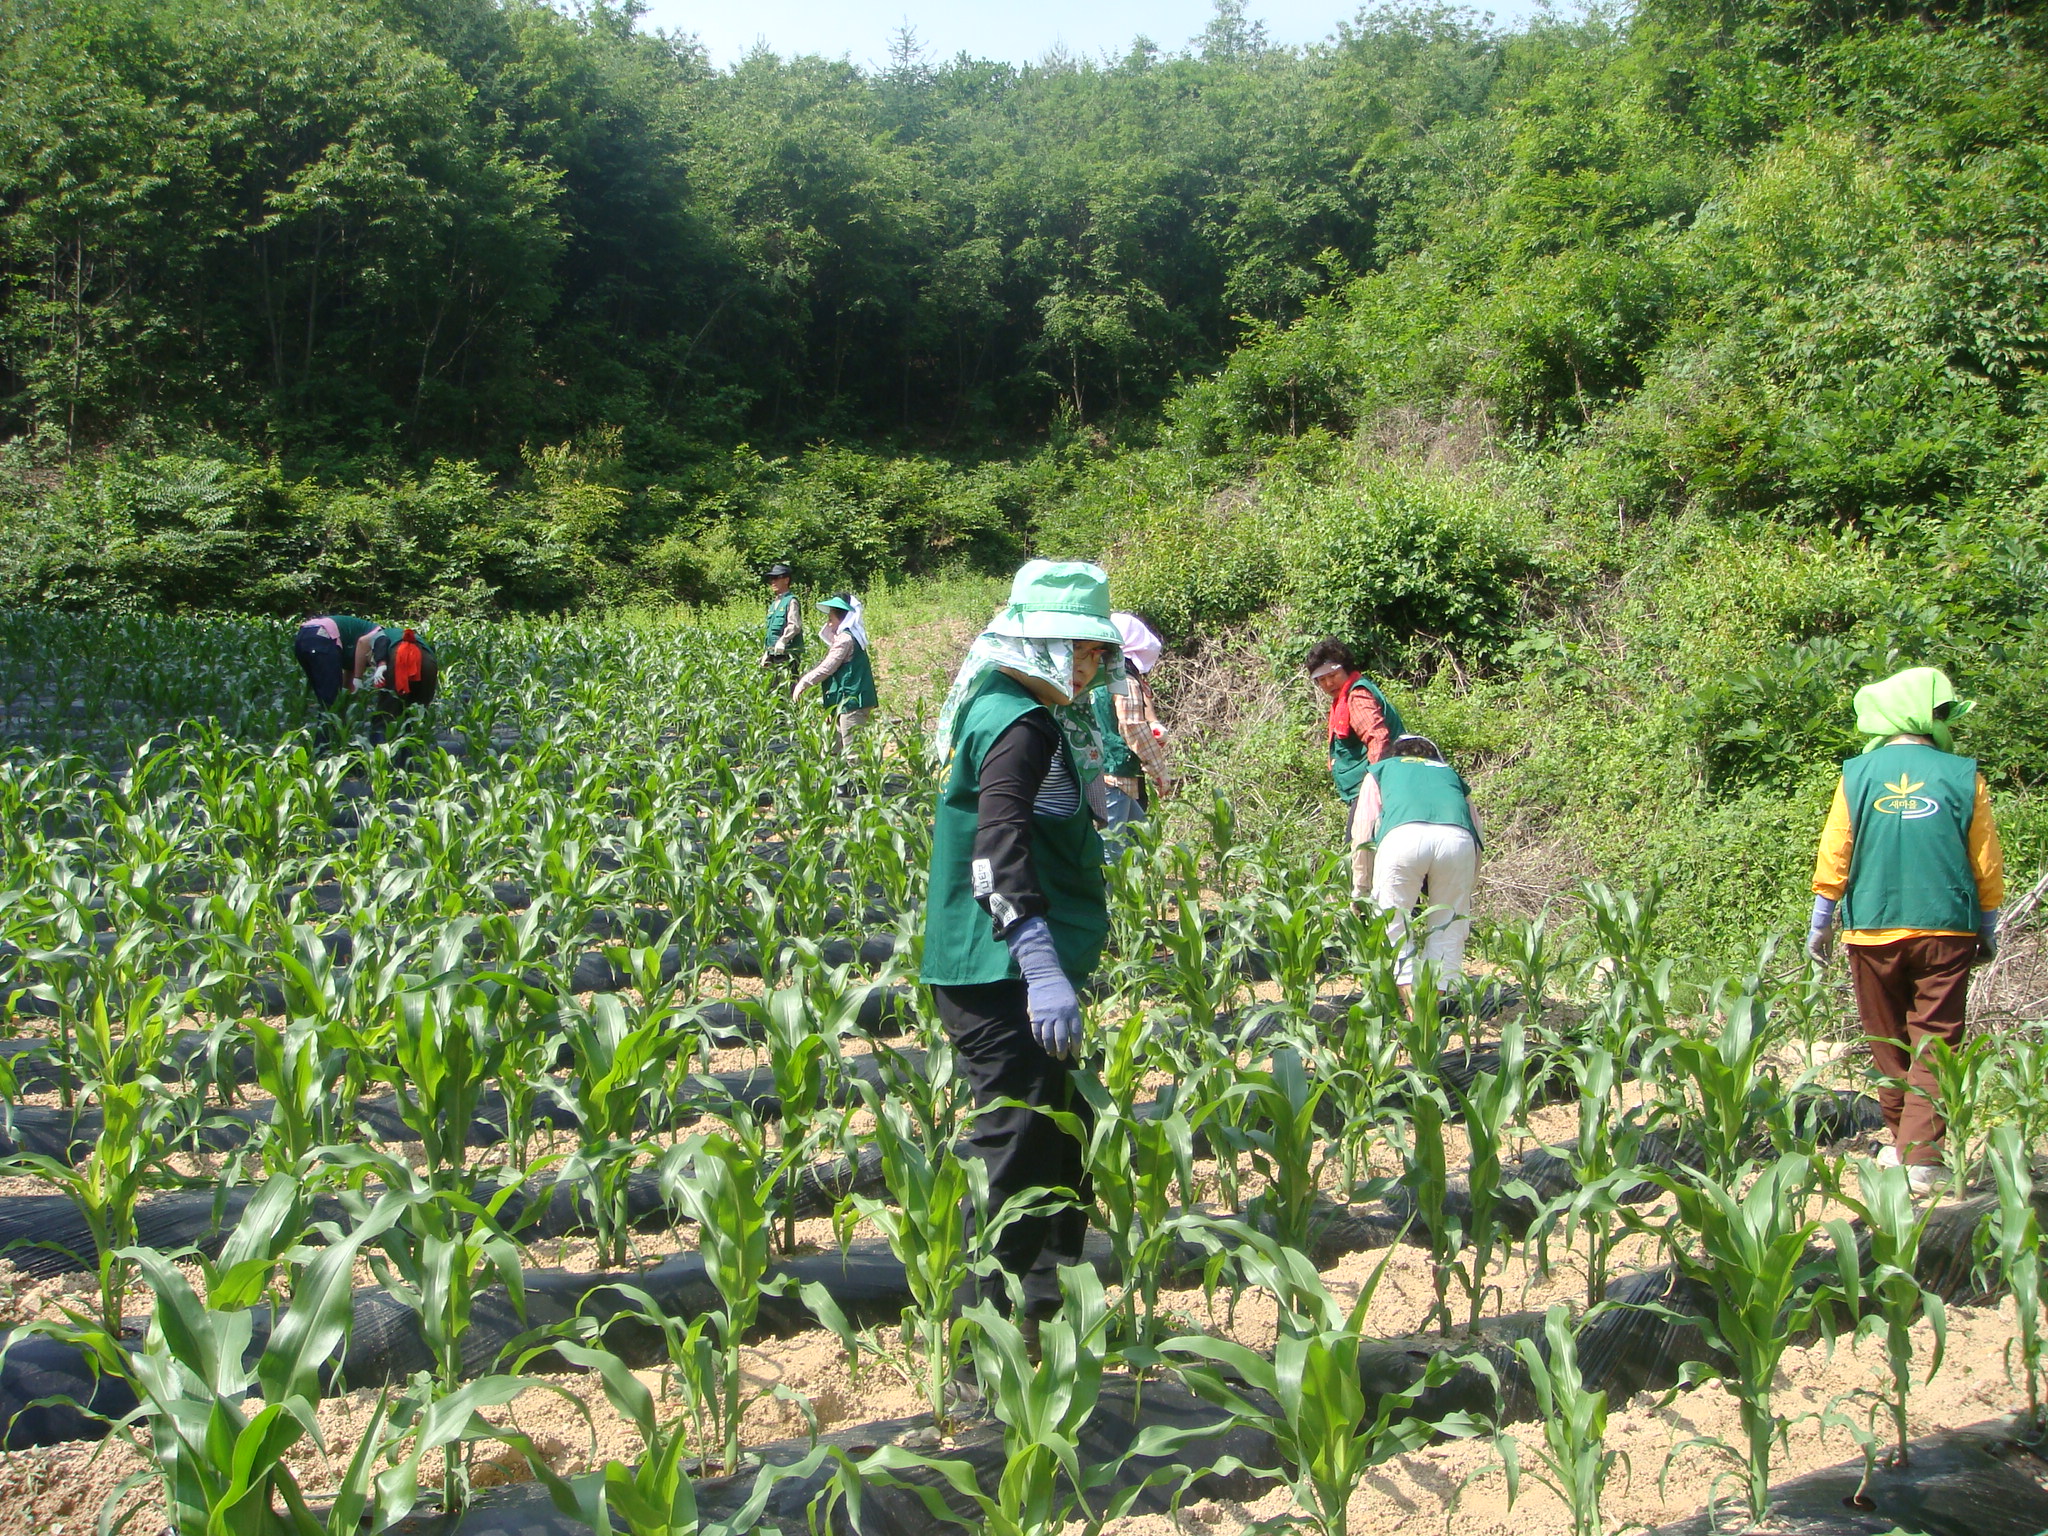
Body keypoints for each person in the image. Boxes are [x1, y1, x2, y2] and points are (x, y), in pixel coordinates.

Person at [921, 559, 1122, 1338]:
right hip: (1002, 970)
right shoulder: (1017, 721)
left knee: (1060, 1143)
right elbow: (995, 841)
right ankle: (990, 1348)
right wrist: (1038, 960)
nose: (1091, 663)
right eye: (1078, 648)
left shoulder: (1021, 712)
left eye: (1095, 650)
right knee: (1015, 1155)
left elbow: (1043, 816)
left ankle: (1051, 1319)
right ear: (1035, 645)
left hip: (1010, 967)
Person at [1807, 666, 2005, 1195]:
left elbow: (1836, 850)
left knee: (1886, 1039)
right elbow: (1984, 858)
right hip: (1946, 928)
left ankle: (1906, 1145)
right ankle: (1919, 1154)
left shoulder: (1857, 774)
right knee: (1936, 1038)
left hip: (1872, 927)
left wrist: (1821, 923)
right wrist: (1988, 923)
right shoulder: (1965, 775)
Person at [1354, 734, 1482, 1011]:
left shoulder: (1380, 770)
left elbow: (1362, 833)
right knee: (1448, 927)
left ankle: (1414, 1013)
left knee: (1393, 924)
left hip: (1402, 838)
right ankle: (1430, 1018)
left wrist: (1359, 889)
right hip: (1457, 842)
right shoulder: (1450, 775)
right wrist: (1466, 890)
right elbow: (1476, 833)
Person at [1091, 611, 1175, 843]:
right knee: (1113, 848)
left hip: (1100, 770)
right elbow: (1132, 726)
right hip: (1115, 775)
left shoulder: (1093, 674)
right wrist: (1159, 771)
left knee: (1137, 840)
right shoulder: (1123, 680)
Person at [791, 592, 877, 758]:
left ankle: (859, 785)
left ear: (843, 619)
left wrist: (803, 683)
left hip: (853, 702)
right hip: (844, 701)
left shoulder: (846, 639)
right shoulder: (848, 637)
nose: (829, 624)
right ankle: (842, 784)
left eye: (831, 619)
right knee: (835, 750)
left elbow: (827, 668)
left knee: (853, 754)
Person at [294, 613, 381, 708]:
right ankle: (330, 720)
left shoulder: (352, 645)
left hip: (303, 634)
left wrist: (349, 699)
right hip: (323, 635)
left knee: (323, 693)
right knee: (331, 698)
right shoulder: (381, 634)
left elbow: (348, 678)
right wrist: (358, 678)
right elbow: (363, 642)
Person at [759, 563, 803, 680]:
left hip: (787, 654)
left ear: (786, 580)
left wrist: (783, 641)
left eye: (776, 578)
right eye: (771, 579)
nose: (773, 582)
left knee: (788, 688)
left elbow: (795, 625)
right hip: (773, 654)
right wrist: (767, 653)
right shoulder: (774, 604)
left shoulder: (791, 601)